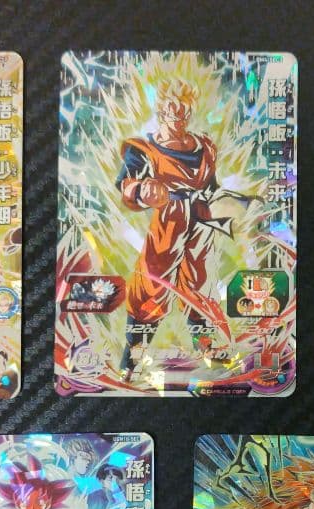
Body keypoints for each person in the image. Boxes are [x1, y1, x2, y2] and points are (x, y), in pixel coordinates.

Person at [116, 78, 231, 381]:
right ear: (162, 108)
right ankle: (132, 358)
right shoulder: (143, 149)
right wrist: (142, 190)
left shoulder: (205, 146)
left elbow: (212, 185)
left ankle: (206, 348)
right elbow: (127, 184)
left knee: (201, 285)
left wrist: (224, 203)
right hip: (169, 220)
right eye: (172, 107)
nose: (179, 114)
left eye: (185, 107)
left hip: (201, 221)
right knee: (151, 285)